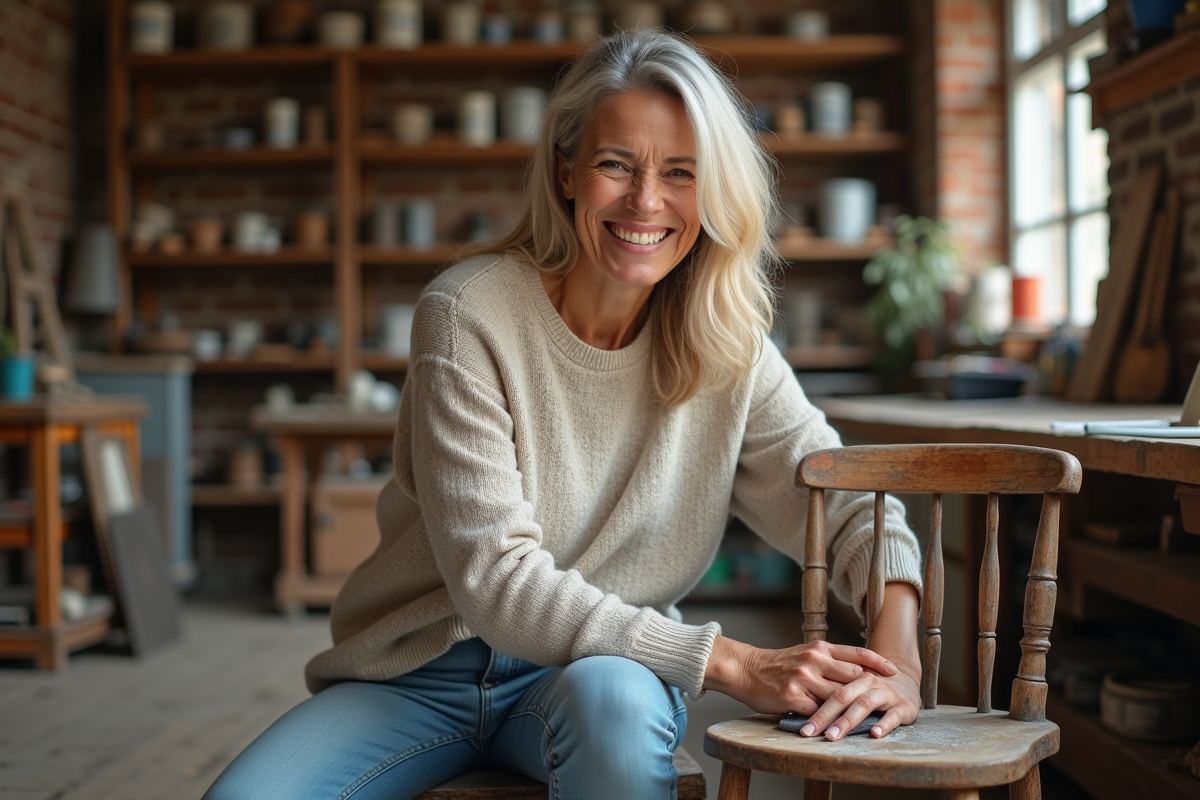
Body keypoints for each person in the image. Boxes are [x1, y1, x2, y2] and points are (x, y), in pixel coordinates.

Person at [205, 29, 923, 800]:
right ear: (567, 171)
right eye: (617, 164)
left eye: (681, 173)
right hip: (419, 674)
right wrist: (737, 665)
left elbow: (848, 506)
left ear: (712, 192)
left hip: (604, 673)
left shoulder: (728, 342)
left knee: (613, 704)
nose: (647, 201)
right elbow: (496, 579)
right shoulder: (467, 313)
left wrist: (898, 662)